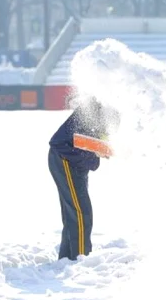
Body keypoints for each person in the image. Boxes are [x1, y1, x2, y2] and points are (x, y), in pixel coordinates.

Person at [48, 97, 120, 261]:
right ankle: (80, 258)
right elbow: (60, 141)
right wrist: (97, 151)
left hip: (75, 162)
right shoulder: (99, 105)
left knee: (73, 212)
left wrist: (102, 150)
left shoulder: (108, 107)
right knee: (81, 212)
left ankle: (66, 258)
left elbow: (97, 138)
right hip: (65, 159)